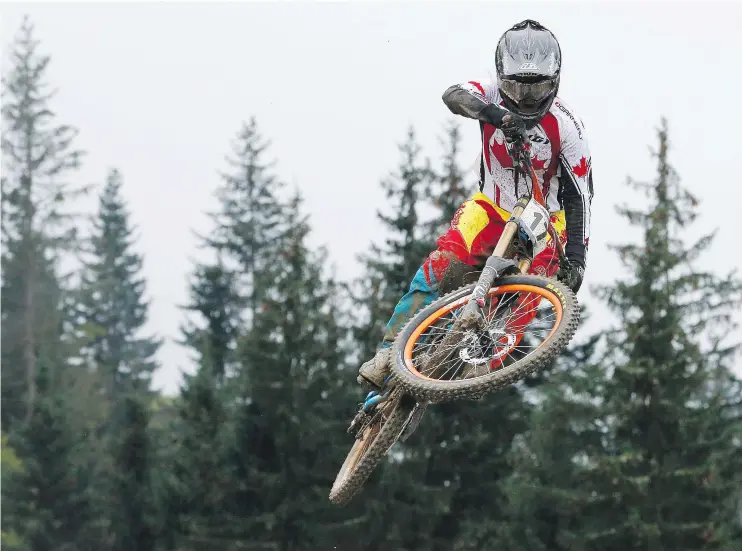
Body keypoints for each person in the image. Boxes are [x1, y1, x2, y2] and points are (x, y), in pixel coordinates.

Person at [358, 19, 594, 389]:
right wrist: (496, 115)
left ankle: (485, 356)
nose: (526, 98)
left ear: (555, 80)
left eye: (537, 89)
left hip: (548, 220)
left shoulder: (567, 127)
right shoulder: (489, 94)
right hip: (492, 206)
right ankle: (389, 351)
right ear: (501, 77)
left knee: (533, 287)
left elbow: (579, 198)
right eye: (515, 86)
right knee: (444, 263)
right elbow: (453, 95)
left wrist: (578, 258)